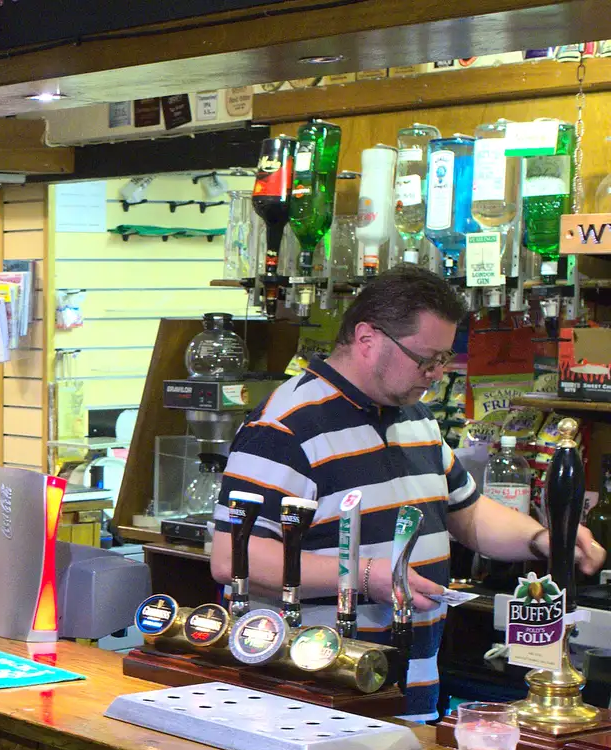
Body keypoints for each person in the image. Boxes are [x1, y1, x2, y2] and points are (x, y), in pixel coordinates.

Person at [210, 266, 606, 719]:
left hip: (410, 684)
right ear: (367, 337)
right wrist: (364, 575)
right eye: (426, 359)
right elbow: (233, 557)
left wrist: (542, 539)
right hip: (315, 692)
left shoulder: (415, 416)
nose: (436, 374)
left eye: (442, 360)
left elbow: (468, 512)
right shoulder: (285, 426)